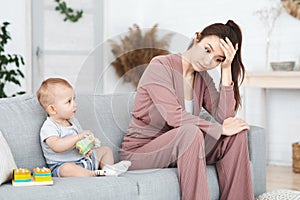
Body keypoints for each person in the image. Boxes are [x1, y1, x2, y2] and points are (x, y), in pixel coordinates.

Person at [119, 20, 254, 200]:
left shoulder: (203, 78)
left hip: (183, 148)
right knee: (190, 132)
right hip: (142, 152)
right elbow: (175, 118)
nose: (208, 61)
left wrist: (227, 68)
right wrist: (220, 129)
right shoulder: (160, 66)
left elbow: (225, 117)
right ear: (197, 38)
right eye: (207, 49)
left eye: (218, 59)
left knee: (236, 136)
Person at [37, 78, 131, 177]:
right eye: (69, 101)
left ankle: (109, 170)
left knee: (106, 150)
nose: (75, 105)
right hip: (62, 165)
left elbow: (81, 143)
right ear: (52, 109)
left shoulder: (73, 122)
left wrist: (88, 147)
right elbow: (57, 146)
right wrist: (78, 137)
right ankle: (95, 173)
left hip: (84, 161)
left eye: (74, 99)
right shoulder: (49, 127)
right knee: (66, 169)